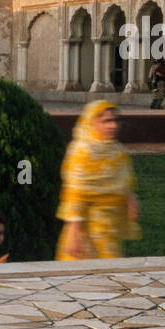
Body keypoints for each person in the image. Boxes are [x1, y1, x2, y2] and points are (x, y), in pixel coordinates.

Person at [55, 100, 141, 261]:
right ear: (91, 122)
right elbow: (74, 193)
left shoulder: (117, 151)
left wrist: (130, 198)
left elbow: (125, 179)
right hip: (85, 230)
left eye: (115, 120)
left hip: (110, 227)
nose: (113, 126)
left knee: (111, 276)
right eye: (106, 121)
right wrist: (74, 234)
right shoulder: (82, 151)